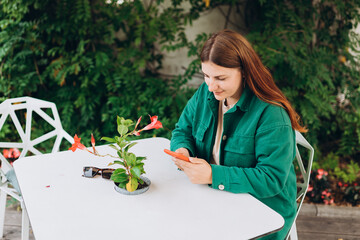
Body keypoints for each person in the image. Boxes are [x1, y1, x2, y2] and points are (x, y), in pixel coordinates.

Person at [170, 29, 307, 240]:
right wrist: (182, 150)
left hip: (261, 211)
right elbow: (182, 130)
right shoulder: (205, 94)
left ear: (244, 71)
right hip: (213, 197)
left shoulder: (271, 115)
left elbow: (271, 179)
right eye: (206, 75)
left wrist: (212, 175)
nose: (211, 85)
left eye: (220, 78)